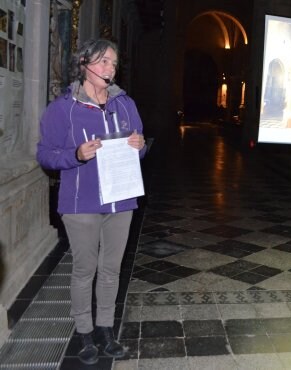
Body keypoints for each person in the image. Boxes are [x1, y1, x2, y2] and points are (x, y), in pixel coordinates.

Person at [36, 38, 146, 365]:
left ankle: (105, 328)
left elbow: (138, 147)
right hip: (80, 203)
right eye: (102, 62)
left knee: (111, 269)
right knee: (84, 269)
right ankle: (84, 331)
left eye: (113, 63)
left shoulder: (125, 104)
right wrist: (75, 154)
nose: (108, 69)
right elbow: (45, 154)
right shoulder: (62, 108)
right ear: (84, 64)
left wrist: (139, 146)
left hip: (120, 201)